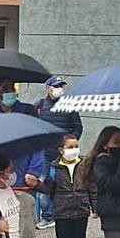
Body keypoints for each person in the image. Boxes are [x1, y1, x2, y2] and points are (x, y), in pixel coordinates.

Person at [0, 98, 46, 238]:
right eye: (1, 89)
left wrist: (33, 172)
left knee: (27, 227)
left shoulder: (27, 112)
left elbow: (38, 147)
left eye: (8, 87)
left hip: (23, 184)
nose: (5, 93)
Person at [35, 134, 93, 238]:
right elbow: (48, 188)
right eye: (70, 147)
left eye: (76, 146)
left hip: (81, 210)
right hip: (62, 211)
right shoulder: (54, 168)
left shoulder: (84, 165)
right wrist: (36, 185)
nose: (74, 150)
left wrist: (95, 206)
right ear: (61, 150)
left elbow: (92, 187)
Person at [34, 76, 83, 229]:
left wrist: (70, 144)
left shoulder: (69, 106)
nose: (59, 89)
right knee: (44, 185)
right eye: (56, 86)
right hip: (46, 153)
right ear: (48, 88)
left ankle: (61, 213)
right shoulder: (40, 105)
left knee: (65, 186)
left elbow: (78, 127)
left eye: (61, 86)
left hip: (64, 154)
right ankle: (47, 216)